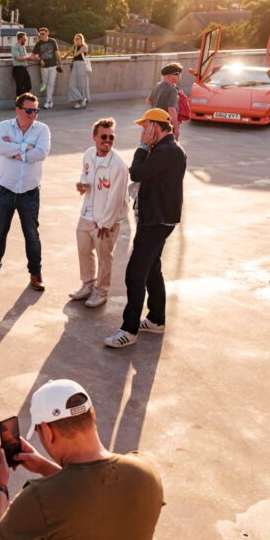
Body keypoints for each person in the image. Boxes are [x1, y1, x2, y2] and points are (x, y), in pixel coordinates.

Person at [0, 379, 164, 540]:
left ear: (47, 431)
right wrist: (45, 467)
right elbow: (95, 491)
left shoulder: (38, 499)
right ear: (92, 414)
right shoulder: (146, 470)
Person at [105, 108, 186, 349]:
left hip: (156, 222)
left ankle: (129, 331)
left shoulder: (167, 151)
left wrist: (141, 146)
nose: (142, 132)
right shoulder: (163, 149)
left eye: (145, 127)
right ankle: (156, 319)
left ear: (157, 127)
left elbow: (138, 172)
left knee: (135, 273)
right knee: (152, 269)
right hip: (156, 219)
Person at [0, 93, 51, 291]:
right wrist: (26, 148)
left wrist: (16, 151)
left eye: (36, 111)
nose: (33, 115)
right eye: (29, 110)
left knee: (32, 234)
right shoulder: (3, 126)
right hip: (5, 190)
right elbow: (0, 147)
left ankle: (35, 274)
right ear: (18, 110)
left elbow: (42, 153)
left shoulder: (42, 129)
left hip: (30, 192)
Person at [71, 118, 128, 309]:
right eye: (103, 136)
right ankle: (88, 285)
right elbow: (85, 174)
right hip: (86, 214)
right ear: (94, 137)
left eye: (111, 137)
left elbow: (116, 198)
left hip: (105, 221)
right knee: (83, 251)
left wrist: (105, 223)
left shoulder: (118, 165)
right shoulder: (88, 154)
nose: (108, 141)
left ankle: (101, 292)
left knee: (105, 258)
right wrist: (82, 184)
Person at [147, 63, 182, 138]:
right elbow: (171, 110)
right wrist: (176, 129)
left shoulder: (157, 85)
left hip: (154, 123)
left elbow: (148, 101)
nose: (179, 77)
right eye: (178, 74)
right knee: (169, 148)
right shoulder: (172, 90)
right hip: (166, 126)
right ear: (170, 76)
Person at [30, 28, 60, 110]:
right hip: (44, 67)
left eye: (43, 34)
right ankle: (50, 101)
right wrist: (39, 59)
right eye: (40, 34)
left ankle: (47, 101)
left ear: (47, 33)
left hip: (53, 66)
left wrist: (60, 63)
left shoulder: (53, 41)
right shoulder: (38, 43)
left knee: (51, 83)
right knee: (45, 84)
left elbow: (57, 53)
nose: (41, 35)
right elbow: (33, 55)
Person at [62, 33, 91, 109]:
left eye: (78, 39)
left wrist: (75, 46)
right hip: (75, 65)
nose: (76, 40)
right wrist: (63, 57)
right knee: (71, 85)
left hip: (81, 66)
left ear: (82, 39)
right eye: (75, 39)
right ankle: (81, 99)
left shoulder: (84, 46)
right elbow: (68, 53)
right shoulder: (75, 46)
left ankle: (80, 101)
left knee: (81, 84)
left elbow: (75, 54)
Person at [10, 32, 33, 96]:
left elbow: (25, 57)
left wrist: (33, 57)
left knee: (28, 86)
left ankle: (22, 100)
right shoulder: (15, 47)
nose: (26, 40)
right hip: (18, 69)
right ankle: (19, 103)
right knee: (19, 87)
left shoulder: (23, 46)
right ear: (20, 38)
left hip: (24, 69)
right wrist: (28, 57)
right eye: (25, 38)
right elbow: (18, 58)